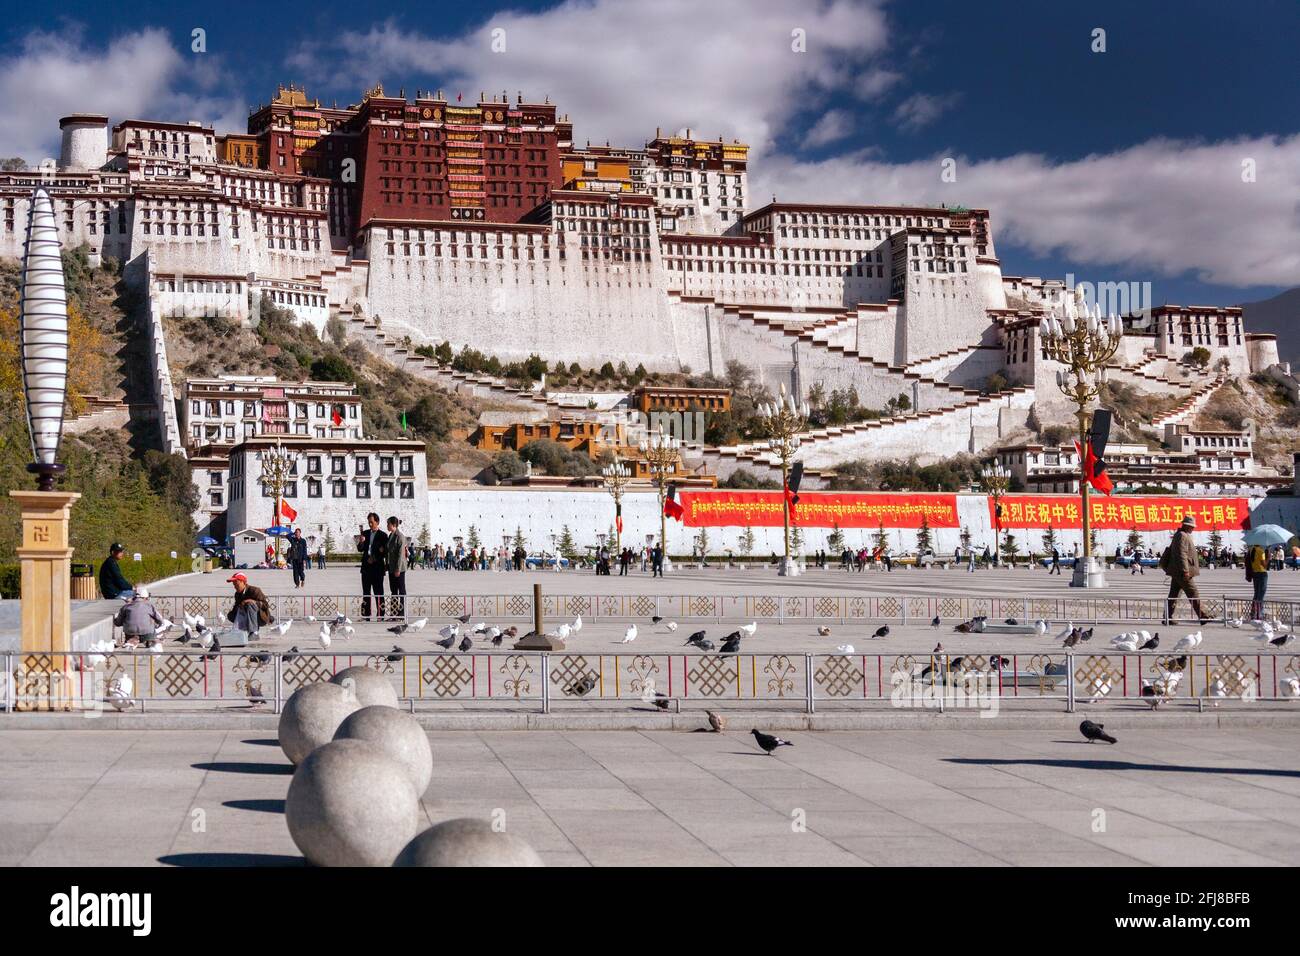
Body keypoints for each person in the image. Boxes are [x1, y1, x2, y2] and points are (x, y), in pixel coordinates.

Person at [1160, 514, 1211, 625]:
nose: (1193, 528)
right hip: (1182, 572)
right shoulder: (1182, 535)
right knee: (1193, 592)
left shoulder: (1181, 535)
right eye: (1191, 526)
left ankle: (1167, 617)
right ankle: (1203, 616)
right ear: (1186, 525)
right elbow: (1181, 554)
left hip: (1177, 572)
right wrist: (1185, 570)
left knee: (1173, 595)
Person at [357, 512, 388, 622]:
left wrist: (374, 558)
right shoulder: (365, 533)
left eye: (372, 522)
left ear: (377, 522)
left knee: (379, 592)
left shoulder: (383, 536)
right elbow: (360, 549)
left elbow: (384, 552)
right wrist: (361, 542)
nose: (370, 524)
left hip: (377, 568)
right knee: (366, 592)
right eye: (369, 522)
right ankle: (366, 614)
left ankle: (381, 615)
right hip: (366, 568)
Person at [226, 572, 273, 637]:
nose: (235, 587)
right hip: (246, 616)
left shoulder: (254, 590)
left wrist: (254, 601)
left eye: (237, 584)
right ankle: (243, 630)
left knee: (250, 604)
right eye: (234, 585)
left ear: (244, 583)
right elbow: (236, 607)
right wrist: (239, 606)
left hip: (260, 618)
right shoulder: (237, 594)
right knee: (231, 615)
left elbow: (266, 605)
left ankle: (254, 632)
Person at [386, 516, 408, 620]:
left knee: (402, 591)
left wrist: (398, 569)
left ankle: (402, 614)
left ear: (393, 525)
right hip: (391, 567)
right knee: (393, 591)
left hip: (399, 569)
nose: (387, 526)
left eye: (388, 524)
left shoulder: (400, 536)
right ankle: (394, 614)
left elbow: (401, 555)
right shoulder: (391, 535)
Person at [1247, 541, 1269, 621]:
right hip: (1262, 573)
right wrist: (1268, 557)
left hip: (1255, 573)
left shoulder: (1251, 550)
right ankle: (1259, 614)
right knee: (1261, 595)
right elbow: (1265, 565)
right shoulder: (1260, 551)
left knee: (1256, 594)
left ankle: (1253, 613)